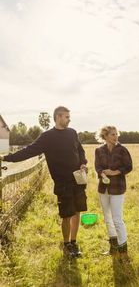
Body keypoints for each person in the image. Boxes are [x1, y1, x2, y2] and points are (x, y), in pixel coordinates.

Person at [0, 106, 88, 258]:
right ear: (58, 117)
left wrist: (83, 163)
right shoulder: (47, 137)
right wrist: (6, 157)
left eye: (69, 117)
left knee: (77, 212)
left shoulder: (72, 133)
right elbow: (28, 151)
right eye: (66, 117)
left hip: (78, 180)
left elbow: (80, 150)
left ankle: (74, 242)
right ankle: (66, 245)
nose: (69, 120)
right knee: (66, 215)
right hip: (62, 183)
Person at [95, 126, 132, 260]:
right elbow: (97, 167)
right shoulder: (99, 150)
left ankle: (123, 253)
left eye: (116, 134)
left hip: (117, 188)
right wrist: (102, 173)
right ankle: (113, 248)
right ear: (104, 136)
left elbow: (129, 167)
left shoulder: (122, 150)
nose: (115, 137)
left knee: (117, 220)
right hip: (103, 189)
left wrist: (115, 172)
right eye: (112, 135)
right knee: (108, 218)